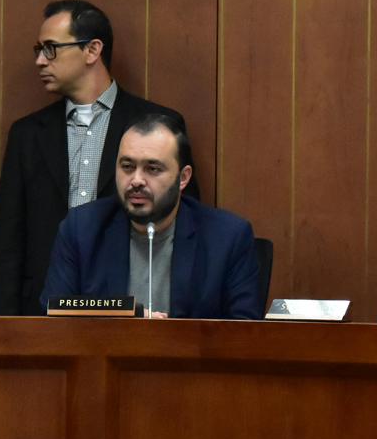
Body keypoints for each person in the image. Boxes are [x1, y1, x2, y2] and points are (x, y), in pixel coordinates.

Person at [0, 0, 196, 315]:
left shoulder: (157, 126)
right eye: (39, 50)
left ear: (92, 50)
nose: (40, 61)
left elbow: (186, 223)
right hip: (45, 310)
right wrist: (2, 326)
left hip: (134, 307)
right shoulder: (27, 134)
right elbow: (8, 242)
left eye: (51, 48)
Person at [41, 113, 260, 319]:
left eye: (152, 169)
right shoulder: (81, 229)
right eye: (127, 167)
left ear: (183, 178)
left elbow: (244, 332)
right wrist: (129, 316)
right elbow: (53, 315)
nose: (136, 180)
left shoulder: (227, 237)